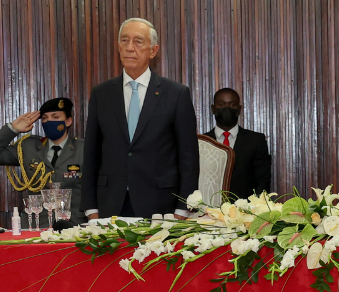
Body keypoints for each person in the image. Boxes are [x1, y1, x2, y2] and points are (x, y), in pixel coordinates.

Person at [81, 18, 199, 219]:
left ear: (153, 51)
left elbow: (188, 157)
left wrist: (183, 209)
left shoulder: (176, 94)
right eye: (124, 41)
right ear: (118, 47)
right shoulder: (102, 94)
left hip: (161, 206)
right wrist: (91, 208)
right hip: (110, 204)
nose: (129, 48)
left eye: (138, 42)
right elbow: (91, 153)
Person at [0, 97, 88, 225]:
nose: (49, 121)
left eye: (55, 117)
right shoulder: (28, 146)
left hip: (73, 225)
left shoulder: (84, 148)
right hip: (35, 225)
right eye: (45, 118)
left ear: (68, 121)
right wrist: (13, 129)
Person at [203, 88, 272, 200]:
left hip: (245, 211)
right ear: (213, 109)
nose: (227, 108)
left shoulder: (255, 141)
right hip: (208, 210)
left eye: (232, 104)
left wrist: (255, 209)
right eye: (222, 104)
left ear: (239, 109)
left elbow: (263, 180)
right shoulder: (202, 141)